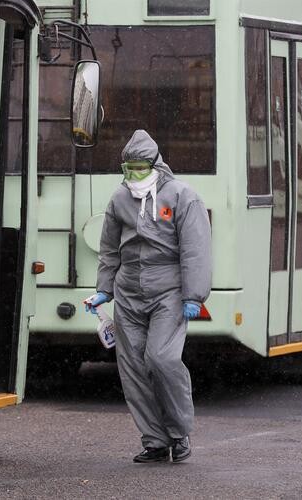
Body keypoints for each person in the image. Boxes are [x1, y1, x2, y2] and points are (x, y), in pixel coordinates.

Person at [86, 129, 212, 463]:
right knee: (133, 369)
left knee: (162, 359)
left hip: (168, 292)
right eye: (128, 169)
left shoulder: (183, 197)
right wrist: (103, 289)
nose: (133, 175)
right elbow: (109, 250)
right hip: (128, 294)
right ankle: (155, 439)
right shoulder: (119, 199)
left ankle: (179, 431)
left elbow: (196, 251)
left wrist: (193, 295)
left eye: (140, 168)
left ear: (156, 164)